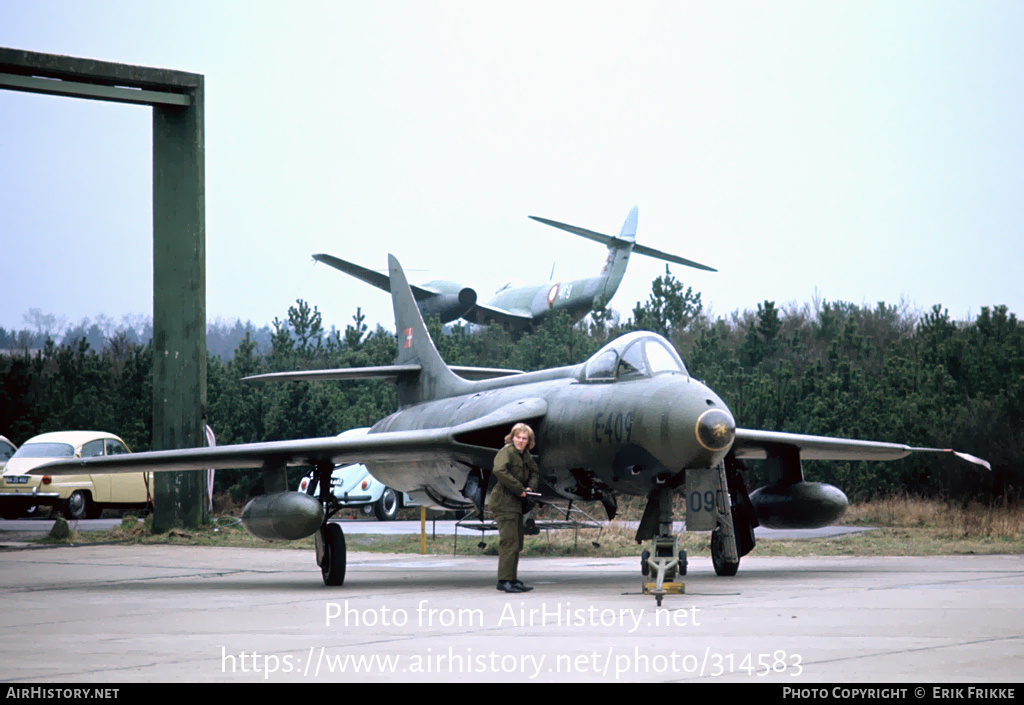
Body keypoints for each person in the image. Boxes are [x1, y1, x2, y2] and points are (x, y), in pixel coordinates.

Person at [488, 422, 539, 593]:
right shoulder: (507, 452)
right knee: (509, 542)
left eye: (524, 438)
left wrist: (530, 488)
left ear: (528, 441)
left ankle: (512, 578)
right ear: (512, 437)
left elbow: (534, 471)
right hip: (504, 503)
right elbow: (499, 470)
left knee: (516, 543)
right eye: (518, 437)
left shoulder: (525, 455)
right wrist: (519, 489)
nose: (520, 441)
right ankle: (504, 581)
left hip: (515, 504)